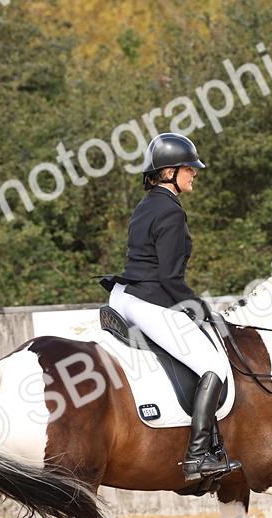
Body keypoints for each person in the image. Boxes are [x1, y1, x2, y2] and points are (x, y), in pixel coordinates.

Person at [101, 133, 241, 483]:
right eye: (188, 169)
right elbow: (170, 278)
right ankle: (196, 457)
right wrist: (201, 308)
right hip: (148, 300)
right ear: (169, 172)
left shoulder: (146, 205)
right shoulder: (171, 212)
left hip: (125, 295)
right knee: (213, 365)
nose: (194, 174)